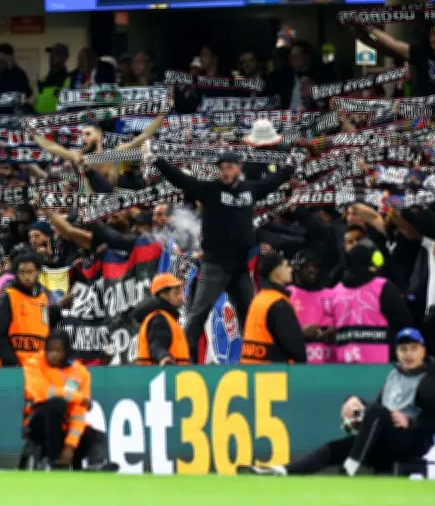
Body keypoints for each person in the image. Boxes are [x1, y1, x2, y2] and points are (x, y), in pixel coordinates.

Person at [144, 142, 293, 360]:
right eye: (222, 168)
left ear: (239, 168)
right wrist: (157, 160)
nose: (225, 172)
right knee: (198, 313)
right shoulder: (210, 190)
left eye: (230, 167)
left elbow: (273, 182)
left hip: (240, 266)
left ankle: (255, 359)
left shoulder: (250, 190)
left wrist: (290, 165)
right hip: (215, 265)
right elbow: (181, 180)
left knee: (249, 315)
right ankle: (181, 358)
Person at [247, 328, 435, 476]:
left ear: (423, 350)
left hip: (410, 441)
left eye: (413, 349)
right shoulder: (394, 374)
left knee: (376, 412)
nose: (408, 354)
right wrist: (355, 401)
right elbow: (377, 408)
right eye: (404, 349)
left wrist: (411, 423)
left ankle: (349, 469)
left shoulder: (431, 380)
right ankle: (283, 470)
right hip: (383, 435)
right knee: (332, 448)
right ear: (397, 352)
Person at [20, 329, 116, 471]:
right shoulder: (34, 364)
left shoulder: (81, 373)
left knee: (97, 437)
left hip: (66, 425)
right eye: (49, 350)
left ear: (66, 352)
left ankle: (96, 467)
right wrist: (78, 398)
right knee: (57, 404)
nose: (52, 354)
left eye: (58, 351)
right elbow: (43, 393)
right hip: (39, 423)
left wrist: (70, 445)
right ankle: (54, 462)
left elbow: (79, 414)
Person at [32, 111, 166, 191]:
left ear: (98, 136)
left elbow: (144, 136)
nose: (83, 138)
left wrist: (162, 114)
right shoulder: (78, 156)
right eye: (82, 135)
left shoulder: (116, 153)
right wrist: (33, 135)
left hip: (115, 203)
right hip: (91, 206)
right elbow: (53, 147)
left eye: (87, 134)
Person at [330, 242, 413, 364]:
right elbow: (404, 321)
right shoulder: (383, 287)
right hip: (382, 363)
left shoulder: (335, 292)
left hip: (345, 362)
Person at [0, 252, 67, 366]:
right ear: (16, 273)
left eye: (30, 272)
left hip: (39, 367)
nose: (26, 277)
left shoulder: (43, 298)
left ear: (37, 272)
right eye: (22, 272)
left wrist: (57, 310)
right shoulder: (8, 296)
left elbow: (43, 325)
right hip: (16, 367)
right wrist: (13, 363)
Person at [241, 254, 308, 364]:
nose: (291, 269)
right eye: (286, 266)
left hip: (251, 369)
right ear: (276, 271)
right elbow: (295, 347)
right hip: (275, 371)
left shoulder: (259, 298)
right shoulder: (278, 303)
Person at [288, 250, 335, 364]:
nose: (312, 270)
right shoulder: (288, 294)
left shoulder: (331, 294)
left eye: (314, 266)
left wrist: (333, 332)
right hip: (299, 362)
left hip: (329, 361)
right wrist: (302, 333)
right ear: (297, 270)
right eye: (307, 266)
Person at [134, 273, 190, 366]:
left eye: (181, 292)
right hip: (164, 373)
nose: (181, 297)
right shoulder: (159, 318)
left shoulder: (165, 317)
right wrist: (163, 357)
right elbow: (155, 346)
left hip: (169, 373)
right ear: (163, 294)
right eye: (176, 293)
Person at [35, 43, 70, 114]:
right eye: (51, 54)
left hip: (57, 119)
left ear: (64, 57)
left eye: (56, 54)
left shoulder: (68, 79)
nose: (51, 57)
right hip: (39, 118)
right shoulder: (44, 79)